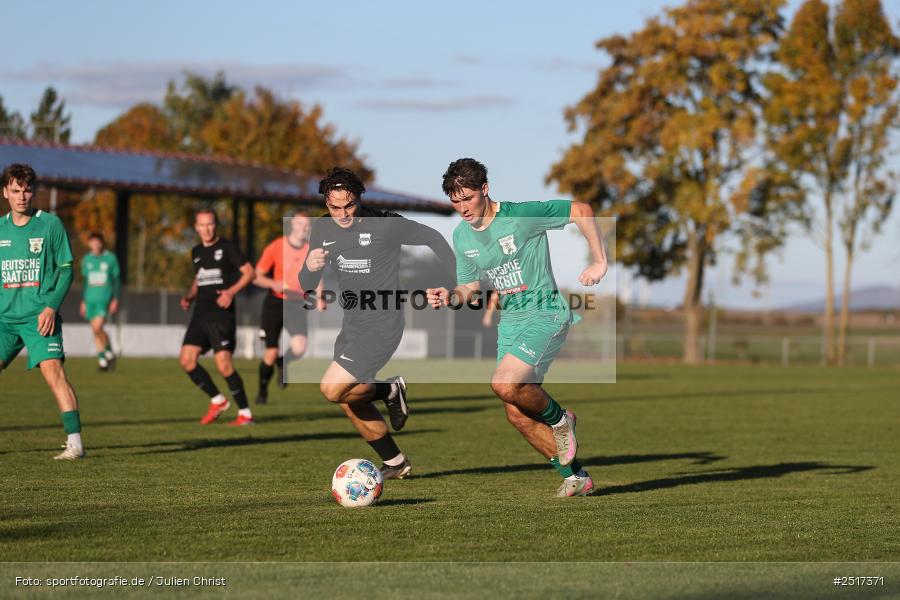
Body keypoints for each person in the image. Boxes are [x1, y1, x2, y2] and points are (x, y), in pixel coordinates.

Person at [427, 158, 608, 497]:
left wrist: (599, 260)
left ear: (484, 189)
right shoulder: (462, 235)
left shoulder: (521, 216)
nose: (462, 207)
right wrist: (448, 295)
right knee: (516, 412)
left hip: (545, 312)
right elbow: (469, 288)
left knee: (504, 383)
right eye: (455, 200)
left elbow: (582, 209)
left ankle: (560, 420)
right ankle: (576, 476)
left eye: (467, 198)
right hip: (511, 320)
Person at [299, 167, 455, 479]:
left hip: (383, 320)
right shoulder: (322, 229)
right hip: (352, 323)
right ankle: (397, 463)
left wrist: (456, 282)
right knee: (347, 399)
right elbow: (307, 281)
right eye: (334, 207)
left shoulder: (384, 224)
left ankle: (388, 389)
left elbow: (433, 237)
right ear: (326, 204)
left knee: (332, 389)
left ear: (359, 198)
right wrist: (309, 267)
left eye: (349, 205)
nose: (343, 214)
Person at [0, 163, 85, 459]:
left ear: (33, 192)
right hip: (5, 320)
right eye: (15, 191)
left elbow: (66, 271)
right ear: (5, 193)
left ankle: (75, 443)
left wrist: (51, 307)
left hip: (40, 318)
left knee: (54, 375)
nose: (22, 196)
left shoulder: (50, 225)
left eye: (26, 190)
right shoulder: (0, 230)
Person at [179, 207, 256, 425]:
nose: (207, 229)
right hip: (200, 313)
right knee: (187, 360)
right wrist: (189, 296)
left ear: (216, 225)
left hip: (221, 314)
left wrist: (231, 292)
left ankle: (245, 413)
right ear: (196, 227)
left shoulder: (229, 248)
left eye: (210, 224)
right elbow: (199, 278)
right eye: (202, 225)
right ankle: (218, 400)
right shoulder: (196, 252)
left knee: (223, 364)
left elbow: (249, 272)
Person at [253, 212, 323, 404]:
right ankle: (262, 391)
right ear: (292, 224)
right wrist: (271, 283)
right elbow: (256, 276)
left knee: (300, 347)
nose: (304, 228)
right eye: (300, 223)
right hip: (275, 302)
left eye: (307, 225)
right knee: (270, 352)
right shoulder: (277, 246)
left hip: (296, 303)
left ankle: (284, 362)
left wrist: (321, 296)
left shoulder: (311, 250)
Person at [80, 232, 120, 371]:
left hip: (104, 299)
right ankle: (103, 361)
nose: (96, 245)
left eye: (98, 242)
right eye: (93, 242)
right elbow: (85, 282)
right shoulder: (86, 259)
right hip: (90, 300)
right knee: (95, 331)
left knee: (98, 328)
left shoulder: (110, 258)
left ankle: (108, 352)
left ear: (102, 243)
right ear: (89, 243)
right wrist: (83, 301)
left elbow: (116, 280)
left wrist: (115, 299)